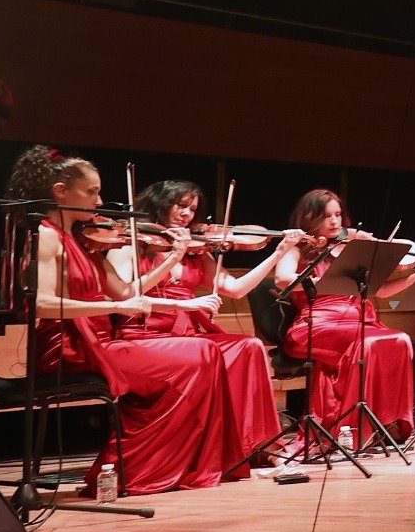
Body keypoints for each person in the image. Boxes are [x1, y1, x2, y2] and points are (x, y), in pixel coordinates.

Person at [4, 147, 247, 496]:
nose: (100, 200)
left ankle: (167, 464)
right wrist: (113, 307)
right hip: (68, 349)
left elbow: (127, 291)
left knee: (204, 353)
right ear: (61, 192)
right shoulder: (46, 235)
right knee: (200, 355)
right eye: (92, 192)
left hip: (99, 343)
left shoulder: (83, 241)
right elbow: (40, 304)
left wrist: (173, 258)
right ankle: (132, 470)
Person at [111, 178, 300, 464]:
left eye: (192, 209)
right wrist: (173, 258)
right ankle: (207, 452)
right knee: (207, 350)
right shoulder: (130, 245)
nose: (186, 214)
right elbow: (126, 295)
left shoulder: (195, 251)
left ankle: (258, 448)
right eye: (180, 205)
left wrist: (278, 253)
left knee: (248, 347)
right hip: (145, 333)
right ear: (160, 204)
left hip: (187, 334)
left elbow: (236, 289)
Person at [269, 188, 415, 448]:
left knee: (400, 339)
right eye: (326, 216)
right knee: (366, 345)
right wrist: (327, 282)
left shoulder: (350, 249)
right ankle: (352, 428)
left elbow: (380, 291)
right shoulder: (298, 248)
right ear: (309, 218)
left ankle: (384, 422)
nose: (335, 222)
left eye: (338, 215)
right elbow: (282, 279)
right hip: (315, 325)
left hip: (357, 322)